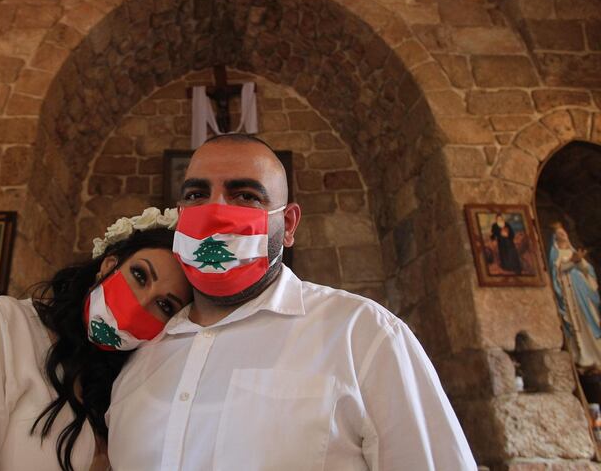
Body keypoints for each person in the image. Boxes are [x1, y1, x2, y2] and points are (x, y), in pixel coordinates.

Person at [107, 134, 476, 470]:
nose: (215, 211)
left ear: (288, 224)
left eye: (245, 196)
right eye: (195, 195)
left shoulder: (362, 335)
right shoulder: (143, 351)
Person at [0, 208, 192, 471]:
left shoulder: (125, 386)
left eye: (165, 305)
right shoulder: (2, 325)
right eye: (139, 276)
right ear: (109, 266)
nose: (140, 303)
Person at [549, 222, 601, 372]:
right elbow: (557, 273)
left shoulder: (573, 251)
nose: (563, 235)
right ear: (555, 238)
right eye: (559, 234)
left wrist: (579, 262)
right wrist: (573, 262)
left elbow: (587, 270)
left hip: (582, 292)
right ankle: (583, 357)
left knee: (591, 320)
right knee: (577, 323)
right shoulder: (556, 254)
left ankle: (597, 354)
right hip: (570, 294)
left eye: (564, 233)